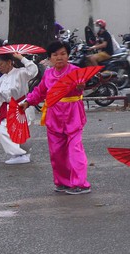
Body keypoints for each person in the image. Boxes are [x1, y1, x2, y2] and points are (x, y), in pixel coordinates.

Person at [21, 41, 91, 195]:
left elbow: (82, 84)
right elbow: (40, 91)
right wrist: (28, 101)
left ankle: (81, 183)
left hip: (73, 114)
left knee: (75, 149)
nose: (59, 57)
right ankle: (63, 182)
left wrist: (80, 86)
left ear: (68, 55)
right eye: (55, 55)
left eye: (63, 54)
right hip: (54, 115)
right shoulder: (48, 73)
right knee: (56, 152)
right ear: (50, 58)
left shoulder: (75, 71)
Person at [0, 53, 38, 164]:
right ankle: (17, 153)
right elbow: (0, 99)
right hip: (7, 108)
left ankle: (24, 154)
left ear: (9, 62)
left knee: (21, 132)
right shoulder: (1, 79)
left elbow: (33, 70)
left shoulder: (20, 73)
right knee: (2, 129)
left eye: (0, 64)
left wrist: (21, 57)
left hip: (21, 106)